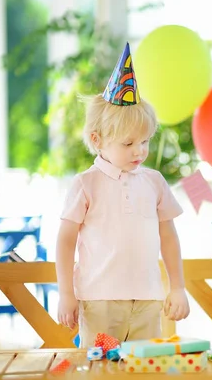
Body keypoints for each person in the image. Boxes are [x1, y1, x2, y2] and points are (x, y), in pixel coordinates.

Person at [56, 43, 190, 348]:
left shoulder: (154, 182)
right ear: (97, 139)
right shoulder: (85, 184)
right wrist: (66, 293)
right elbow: (65, 240)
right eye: (128, 143)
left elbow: (168, 237)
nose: (140, 151)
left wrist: (178, 287)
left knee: (144, 369)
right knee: (102, 370)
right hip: (99, 300)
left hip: (148, 299)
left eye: (144, 141)